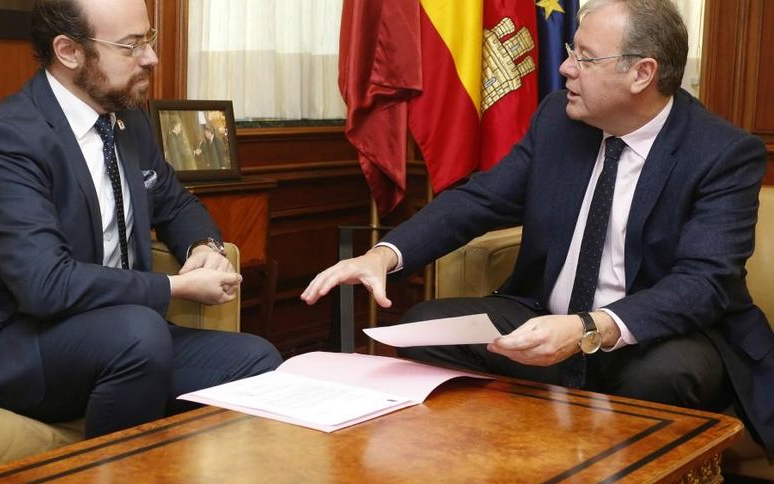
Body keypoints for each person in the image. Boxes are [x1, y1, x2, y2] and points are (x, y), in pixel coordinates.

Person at [303, 0, 773, 455]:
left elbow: (703, 282)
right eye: (571, 52)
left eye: (585, 59)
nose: (566, 68)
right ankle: (496, 466)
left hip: (657, 334)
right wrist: (382, 254)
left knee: (662, 376)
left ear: (642, 73)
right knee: (426, 329)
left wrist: (590, 328)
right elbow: (480, 200)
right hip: (546, 316)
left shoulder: (721, 153)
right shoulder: (558, 119)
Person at [0, 0, 281, 439]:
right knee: (140, 335)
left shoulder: (128, 121)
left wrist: (205, 249)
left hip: (112, 333)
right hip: (1, 344)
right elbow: (45, 285)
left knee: (257, 362)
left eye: (150, 39)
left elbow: (176, 204)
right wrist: (173, 286)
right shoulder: (10, 139)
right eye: (130, 45)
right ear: (69, 52)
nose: (151, 58)